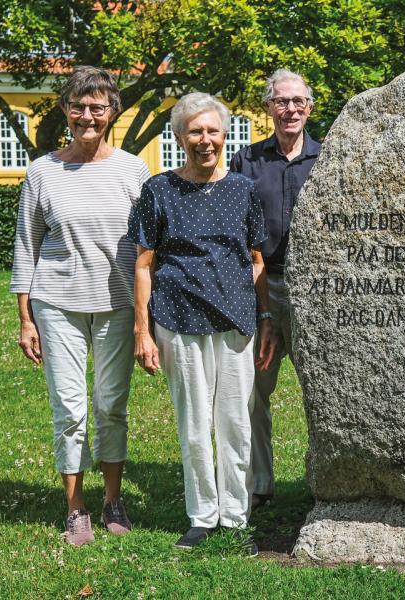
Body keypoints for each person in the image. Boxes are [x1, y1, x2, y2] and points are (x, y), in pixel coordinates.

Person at [10, 66, 151, 547]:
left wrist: (145, 318)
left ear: (112, 112)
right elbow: (26, 246)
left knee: (111, 405)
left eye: (97, 107)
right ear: (65, 111)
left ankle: (112, 499)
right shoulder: (42, 171)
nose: (87, 115)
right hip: (56, 302)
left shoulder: (134, 170)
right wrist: (25, 317)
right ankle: (76, 508)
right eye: (78, 106)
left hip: (116, 303)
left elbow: (149, 248)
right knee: (69, 409)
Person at [129, 92, 274, 552]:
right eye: (195, 131)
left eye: (213, 131)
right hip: (178, 319)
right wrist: (142, 331)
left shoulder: (244, 190)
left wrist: (265, 314)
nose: (205, 140)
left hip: (235, 323)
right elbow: (143, 264)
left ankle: (235, 517)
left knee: (235, 423)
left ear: (224, 135)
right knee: (194, 424)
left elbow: (256, 258)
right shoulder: (158, 190)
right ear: (179, 137)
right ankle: (201, 516)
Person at [228, 68, 321, 511]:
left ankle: (326, 480)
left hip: (313, 292)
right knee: (252, 389)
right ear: (268, 108)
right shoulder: (246, 162)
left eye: (297, 101)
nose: (290, 109)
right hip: (260, 288)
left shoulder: (329, 158)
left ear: (310, 107)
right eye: (281, 101)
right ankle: (258, 485)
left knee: (323, 390)